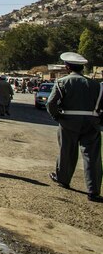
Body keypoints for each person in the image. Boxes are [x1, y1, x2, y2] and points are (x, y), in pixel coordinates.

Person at [47, 52, 101, 202]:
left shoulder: (62, 82)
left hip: (68, 121)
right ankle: (93, 190)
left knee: (67, 151)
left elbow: (51, 104)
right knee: (92, 156)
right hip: (91, 122)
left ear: (67, 67)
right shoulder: (96, 85)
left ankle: (63, 178)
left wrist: (57, 117)